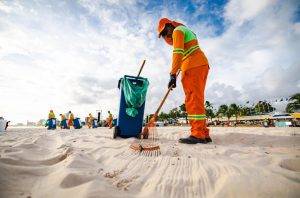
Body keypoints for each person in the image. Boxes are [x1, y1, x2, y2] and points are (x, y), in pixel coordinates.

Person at [157, 18, 211, 144]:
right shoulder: (184, 30)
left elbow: (177, 52)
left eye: (165, 31)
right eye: (163, 34)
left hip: (193, 66)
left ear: (170, 25)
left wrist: (172, 74)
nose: (166, 35)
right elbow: (183, 52)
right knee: (197, 99)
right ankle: (203, 133)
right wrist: (179, 67)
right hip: (200, 64)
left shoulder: (178, 31)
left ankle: (198, 134)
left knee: (192, 99)